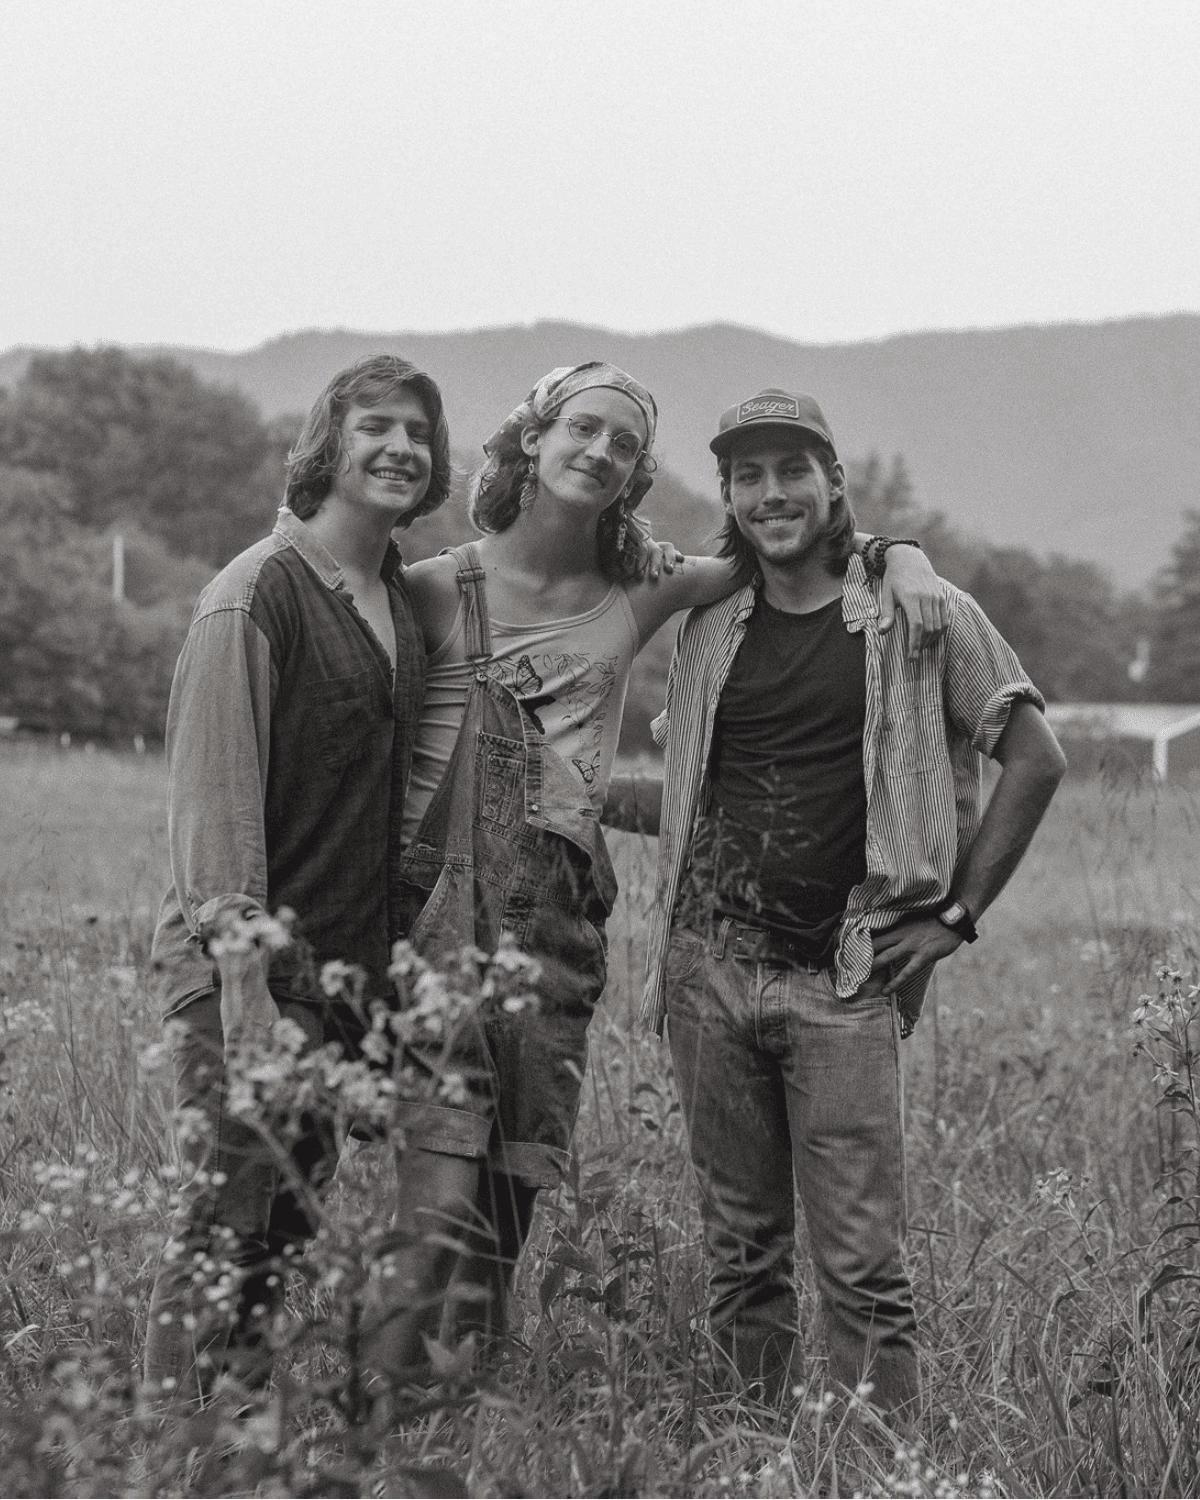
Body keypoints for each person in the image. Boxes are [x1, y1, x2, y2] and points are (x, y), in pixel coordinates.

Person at [362, 363, 946, 1385]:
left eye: (624, 445)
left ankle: (450, 1419)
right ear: (531, 440)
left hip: (552, 936)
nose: (600, 452)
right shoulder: (426, 589)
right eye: (582, 429)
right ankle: (378, 1423)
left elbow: (798, 554)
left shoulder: (650, 586)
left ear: (636, 478)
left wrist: (903, 559)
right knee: (434, 1206)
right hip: (437, 928)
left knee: (507, 1201)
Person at [639, 388, 1067, 1424]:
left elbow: (1033, 756)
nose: (772, 493)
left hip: (843, 980)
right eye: (749, 476)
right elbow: (703, 787)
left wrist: (955, 918)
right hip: (706, 974)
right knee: (742, 1258)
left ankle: (879, 1470)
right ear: (731, 494)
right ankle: (755, 1456)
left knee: (864, 1270)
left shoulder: (918, 610)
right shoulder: (709, 617)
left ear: (834, 482)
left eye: (794, 471)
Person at [143, 354, 451, 1402]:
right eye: (376, 425)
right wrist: (245, 994)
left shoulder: (398, 598)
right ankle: (165, 1456)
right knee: (218, 1241)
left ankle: (231, 1453)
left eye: (418, 429)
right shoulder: (255, 594)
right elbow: (216, 800)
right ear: (328, 442)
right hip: (249, 989)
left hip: (334, 981)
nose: (400, 446)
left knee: (275, 1250)